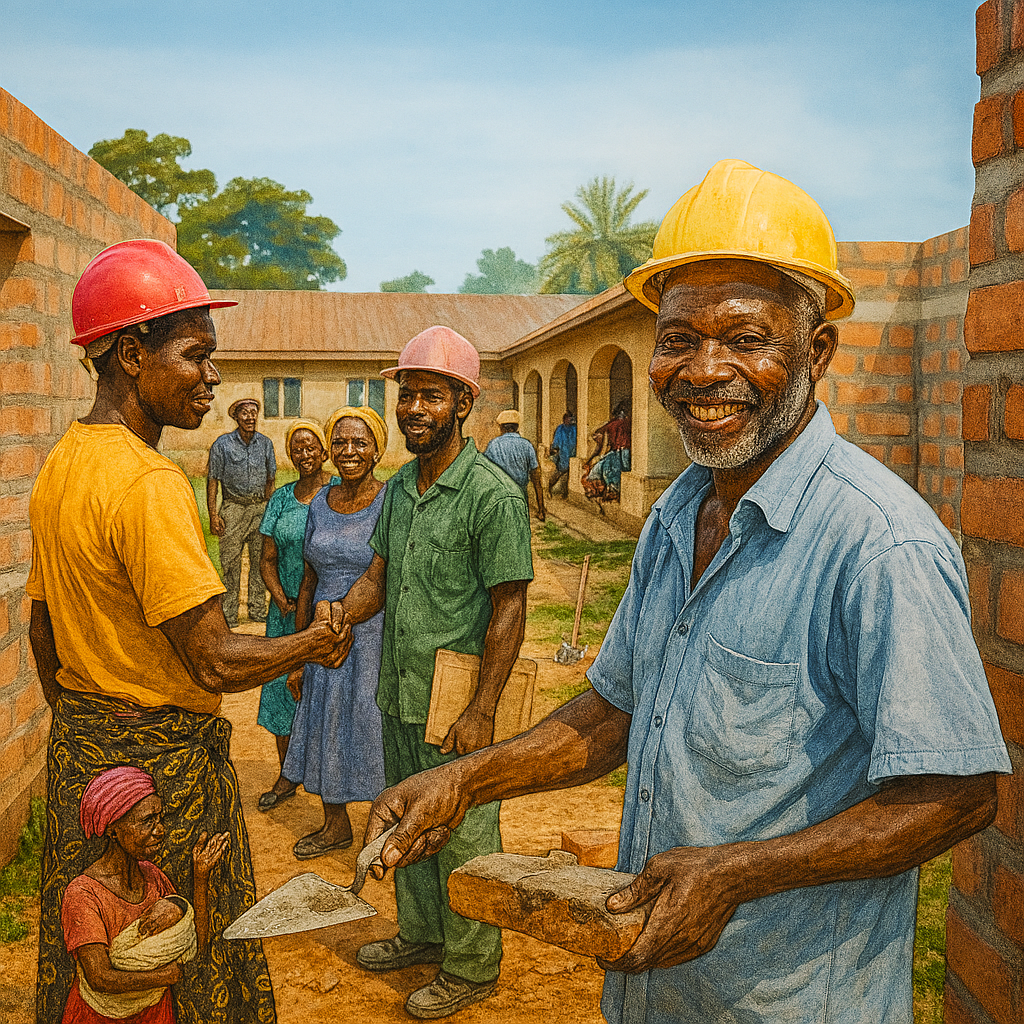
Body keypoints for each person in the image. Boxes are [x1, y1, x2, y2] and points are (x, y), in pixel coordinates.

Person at [357, 161, 1011, 1024]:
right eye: (676, 338)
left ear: (816, 353)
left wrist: (739, 872)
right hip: (652, 986)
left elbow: (955, 794)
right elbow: (614, 711)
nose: (702, 371)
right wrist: (464, 780)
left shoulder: (878, 545)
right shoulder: (677, 514)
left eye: (745, 338)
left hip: (783, 997)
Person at [28, 239, 352, 1024]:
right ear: (131, 355)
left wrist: (94, 723)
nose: (213, 378)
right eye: (197, 356)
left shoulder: (62, 464)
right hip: (159, 784)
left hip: (87, 761)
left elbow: (43, 633)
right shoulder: (148, 485)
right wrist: (310, 641)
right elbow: (210, 661)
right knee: (179, 966)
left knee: (89, 969)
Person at [324, 326, 534, 1019]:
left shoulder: (492, 495)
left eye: (430, 396)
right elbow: (377, 578)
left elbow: (508, 606)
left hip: (456, 706)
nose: (413, 408)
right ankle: (419, 935)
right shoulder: (399, 492)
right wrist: (339, 620)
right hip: (399, 692)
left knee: (464, 835)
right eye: (406, 394)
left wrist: (482, 707)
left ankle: (471, 966)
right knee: (403, 824)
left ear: (463, 402)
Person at [281, 406, 389, 858]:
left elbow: (386, 576)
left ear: (377, 450)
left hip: (372, 636)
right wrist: (300, 650)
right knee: (326, 721)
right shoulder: (319, 505)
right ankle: (335, 824)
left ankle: (388, 827)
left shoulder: (390, 501)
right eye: (340, 443)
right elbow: (308, 578)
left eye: (360, 443)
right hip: (324, 636)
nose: (349, 452)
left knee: (372, 723)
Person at [60, 767, 227, 1024]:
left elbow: (195, 944)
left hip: (155, 1014)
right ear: (113, 828)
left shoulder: (152, 876)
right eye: (148, 821)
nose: (160, 830)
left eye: (160, 819)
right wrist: (164, 976)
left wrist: (201, 877)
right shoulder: (83, 894)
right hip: (98, 1018)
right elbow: (100, 977)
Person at [256, 420, 339, 811]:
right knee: (280, 693)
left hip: (327, 611)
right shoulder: (281, 500)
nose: (305, 455)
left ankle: (330, 780)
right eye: (297, 449)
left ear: (324, 452)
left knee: (325, 690)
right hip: (285, 612)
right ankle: (287, 775)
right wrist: (279, 597)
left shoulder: (339, 494)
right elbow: (267, 559)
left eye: (312, 448)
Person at [206, 398, 277, 627]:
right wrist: (214, 516)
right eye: (245, 413)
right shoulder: (222, 445)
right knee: (231, 563)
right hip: (233, 509)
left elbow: (270, 481)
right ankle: (229, 614)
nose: (250, 417)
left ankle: (257, 610)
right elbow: (213, 482)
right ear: (236, 417)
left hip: (259, 509)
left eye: (253, 413)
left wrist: (271, 513)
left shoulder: (265, 444)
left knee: (260, 561)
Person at [483, 410, 545, 522]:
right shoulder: (527, 445)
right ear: (517, 427)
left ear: (501, 428)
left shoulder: (493, 445)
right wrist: (541, 510)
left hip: (499, 496)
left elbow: (485, 473)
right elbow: (536, 478)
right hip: (520, 495)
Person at [584, 402, 632, 504]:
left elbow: (598, 432)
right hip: (622, 450)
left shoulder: (613, 424)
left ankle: (613, 491)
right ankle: (612, 491)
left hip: (620, 451)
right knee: (612, 469)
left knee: (610, 469)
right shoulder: (626, 423)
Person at [548, 411, 577, 497]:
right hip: (562, 453)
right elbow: (556, 441)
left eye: (570, 419)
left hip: (571, 453)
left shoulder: (573, 429)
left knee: (568, 475)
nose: (569, 421)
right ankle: (549, 487)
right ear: (564, 419)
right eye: (567, 419)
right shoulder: (560, 429)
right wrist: (555, 449)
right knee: (560, 472)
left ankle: (565, 493)